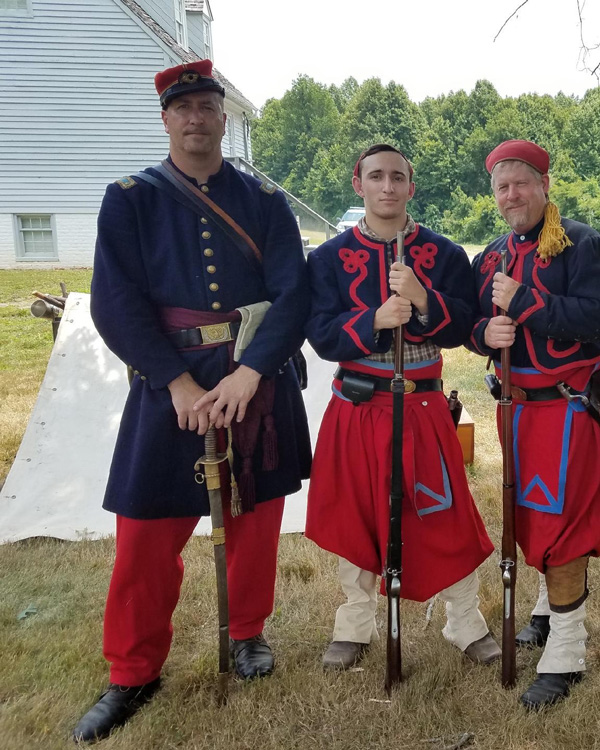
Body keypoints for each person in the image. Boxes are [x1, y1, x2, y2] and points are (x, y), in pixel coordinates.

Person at [72, 60, 312, 743]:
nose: (197, 118)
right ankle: (133, 670)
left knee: (256, 517)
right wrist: (175, 383)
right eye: (185, 108)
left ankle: (247, 634)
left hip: (253, 381)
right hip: (166, 381)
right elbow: (115, 302)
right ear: (166, 118)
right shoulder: (130, 199)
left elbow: (293, 293)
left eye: (209, 106)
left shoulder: (264, 200)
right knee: (145, 533)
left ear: (222, 116)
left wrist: (251, 374)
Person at [305, 144, 500, 671]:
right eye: (376, 176)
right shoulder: (326, 259)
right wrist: (372, 320)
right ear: (358, 184)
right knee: (357, 516)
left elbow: (462, 327)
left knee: (445, 512)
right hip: (358, 406)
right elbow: (321, 334)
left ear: (411, 186)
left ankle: (464, 619)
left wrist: (419, 296)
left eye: (398, 177)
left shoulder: (443, 254)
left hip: (422, 405)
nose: (387, 187)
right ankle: (355, 620)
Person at [468, 139, 600, 709]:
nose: (513, 195)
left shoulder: (584, 245)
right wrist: (484, 334)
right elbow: (470, 319)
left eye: (523, 183)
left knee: (562, 526)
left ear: (544, 186)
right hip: (516, 411)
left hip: (570, 410)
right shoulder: (489, 254)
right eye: (502, 187)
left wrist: (527, 302)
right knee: (530, 514)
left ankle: (567, 652)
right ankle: (544, 610)